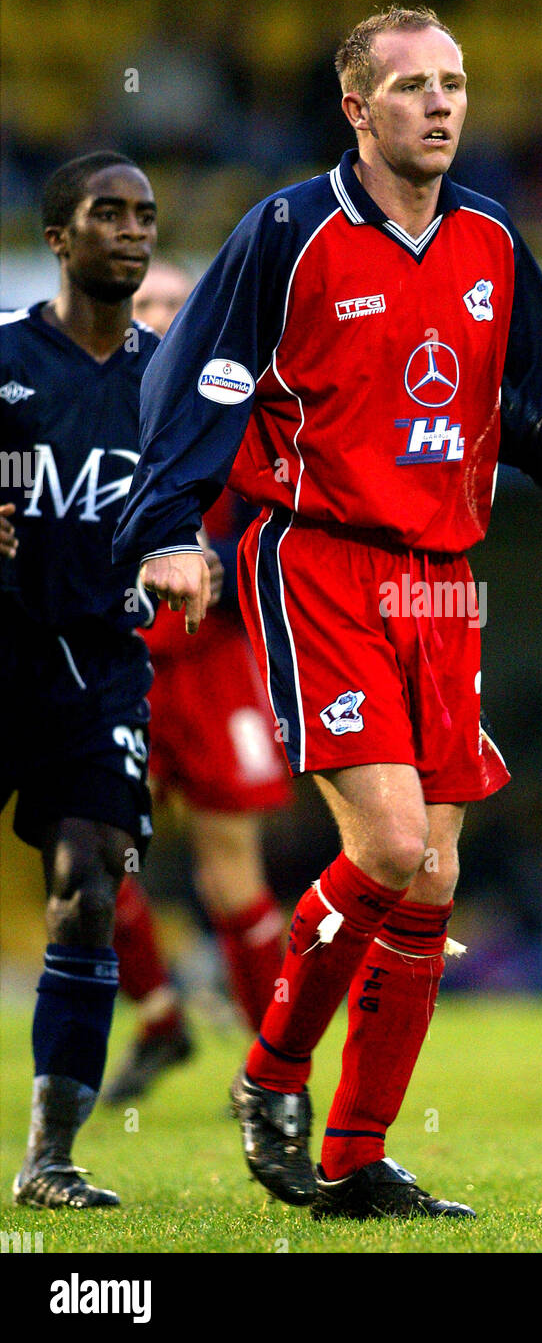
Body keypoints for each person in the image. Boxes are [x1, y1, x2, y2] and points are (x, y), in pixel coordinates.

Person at [114, 6, 542, 1221]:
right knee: (391, 845)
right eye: (412, 86)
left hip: (442, 576)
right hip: (317, 556)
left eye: (455, 82)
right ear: (357, 109)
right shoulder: (286, 232)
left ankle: (355, 1157)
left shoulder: (491, 240)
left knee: (432, 876)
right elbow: (194, 380)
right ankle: (269, 1079)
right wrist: (165, 526)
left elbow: (532, 400)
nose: (441, 104)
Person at [0, 151, 220, 1208]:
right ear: (57, 236)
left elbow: (207, 507)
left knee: (89, 889)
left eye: (145, 215)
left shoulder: (168, 386)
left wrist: (195, 551)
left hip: (99, 671)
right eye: (107, 213)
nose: (132, 231)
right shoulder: (3, 361)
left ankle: (48, 1156)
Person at [103, 263, 292, 1103]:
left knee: (231, 873)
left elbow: (275, 526)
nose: (160, 317)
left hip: (214, 668)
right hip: (116, 666)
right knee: (94, 854)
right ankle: (159, 1017)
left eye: (177, 305)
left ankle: (273, 1066)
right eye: (146, 303)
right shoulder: (89, 408)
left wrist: (219, 561)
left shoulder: (241, 411)